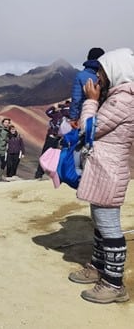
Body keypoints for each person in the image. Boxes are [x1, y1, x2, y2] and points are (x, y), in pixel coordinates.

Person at [67, 48, 134, 304]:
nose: (98, 78)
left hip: (108, 171)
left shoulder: (122, 101)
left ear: (115, 71)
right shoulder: (120, 97)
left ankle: (114, 283)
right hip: (103, 169)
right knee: (99, 221)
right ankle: (98, 267)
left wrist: (91, 101)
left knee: (109, 227)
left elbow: (89, 128)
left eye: (102, 72)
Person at [70, 47, 105, 123]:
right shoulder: (107, 75)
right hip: (104, 115)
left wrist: (73, 118)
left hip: (85, 113)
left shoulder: (80, 76)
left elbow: (76, 99)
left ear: (88, 58)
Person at [34, 105, 63, 179]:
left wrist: (54, 107)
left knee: (50, 155)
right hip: (56, 137)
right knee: (50, 155)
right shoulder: (60, 114)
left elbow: (48, 112)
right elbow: (48, 112)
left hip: (57, 138)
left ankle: (41, 174)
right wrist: (54, 107)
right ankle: (40, 174)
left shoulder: (61, 114)